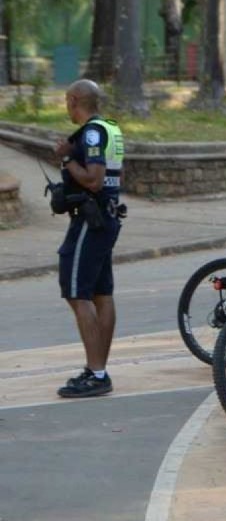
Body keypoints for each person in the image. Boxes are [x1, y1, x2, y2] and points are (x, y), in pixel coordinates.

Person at [54, 80, 125, 398]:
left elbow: (94, 181)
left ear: (74, 100)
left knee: (76, 293)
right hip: (106, 218)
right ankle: (97, 369)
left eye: (67, 101)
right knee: (101, 294)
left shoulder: (93, 132)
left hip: (90, 220)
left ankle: (97, 374)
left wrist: (67, 159)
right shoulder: (110, 128)